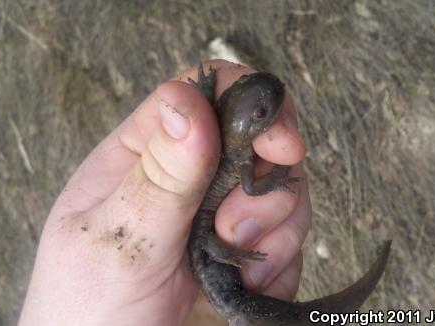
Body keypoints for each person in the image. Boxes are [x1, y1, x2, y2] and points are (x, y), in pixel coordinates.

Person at [19, 60, 312, 325]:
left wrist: (204, 88)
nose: (269, 103)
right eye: (260, 114)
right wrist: (274, 181)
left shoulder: (226, 137)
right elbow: (248, 187)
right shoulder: (237, 154)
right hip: (202, 246)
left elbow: (245, 179)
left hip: (197, 254)